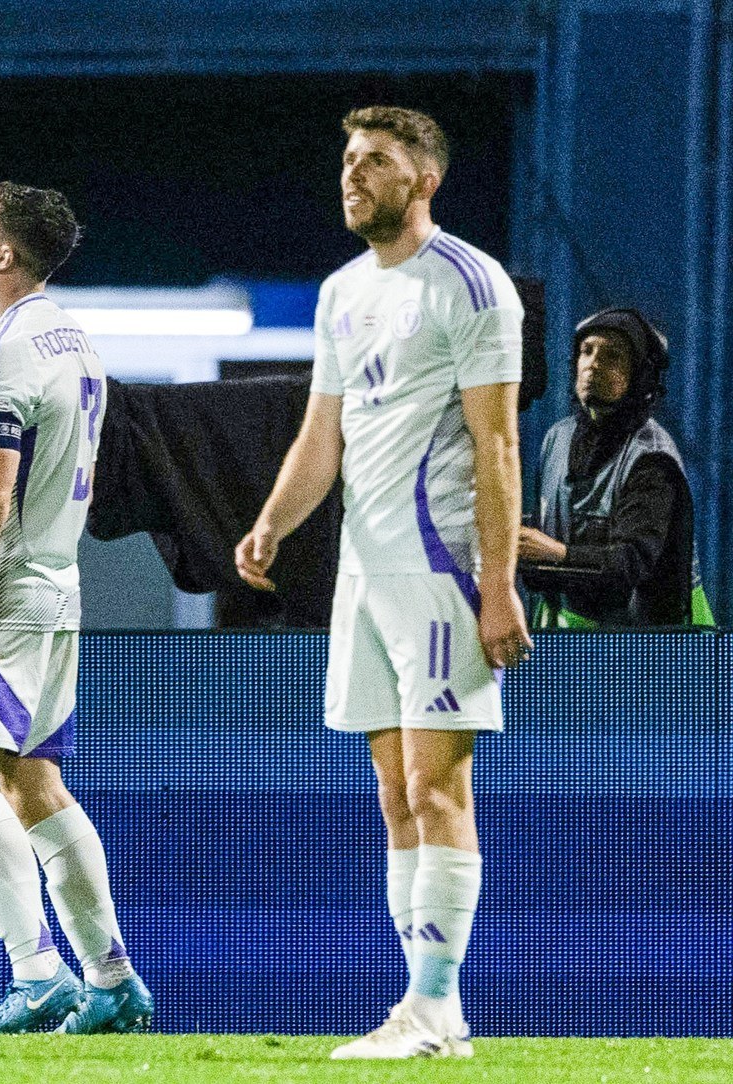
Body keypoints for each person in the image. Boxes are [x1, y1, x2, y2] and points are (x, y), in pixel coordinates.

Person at [236, 107, 531, 1059]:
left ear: (425, 179)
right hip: (364, 571)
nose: (354, 176)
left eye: (377, 162)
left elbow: (497, 442)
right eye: (349, 162)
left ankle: (437, 1010)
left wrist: (497, 586)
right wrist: (275, 521)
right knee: (391, 791)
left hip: (439, 566)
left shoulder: (472, 284)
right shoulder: (340, 292)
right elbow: (324, 433)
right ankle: (420, 1008)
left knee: (435, 784)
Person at [0, 182, 150, 1036]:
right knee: (33, 782)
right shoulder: (74, 340)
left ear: (6, 254)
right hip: (56, 582)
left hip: (1, 593)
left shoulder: (4, 350)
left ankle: (38, 974)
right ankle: (112, 978)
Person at [521, 307, 713, 627]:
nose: (593, 364)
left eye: (612, 356)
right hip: (569, 632)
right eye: (587, 351)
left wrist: (555, 553)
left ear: (639, 375)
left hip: (651, 641)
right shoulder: (557, 437)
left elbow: (631, 563)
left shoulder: (651, 458)